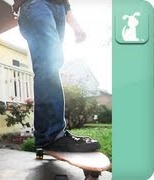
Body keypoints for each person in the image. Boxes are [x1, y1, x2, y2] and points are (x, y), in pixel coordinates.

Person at [13, 0, 101, 152]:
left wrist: (76, 26)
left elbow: (66, 4)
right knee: (49, 63)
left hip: (59, 9)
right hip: (36, 4)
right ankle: (52, 136)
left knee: (51, 66)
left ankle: (47, 137)